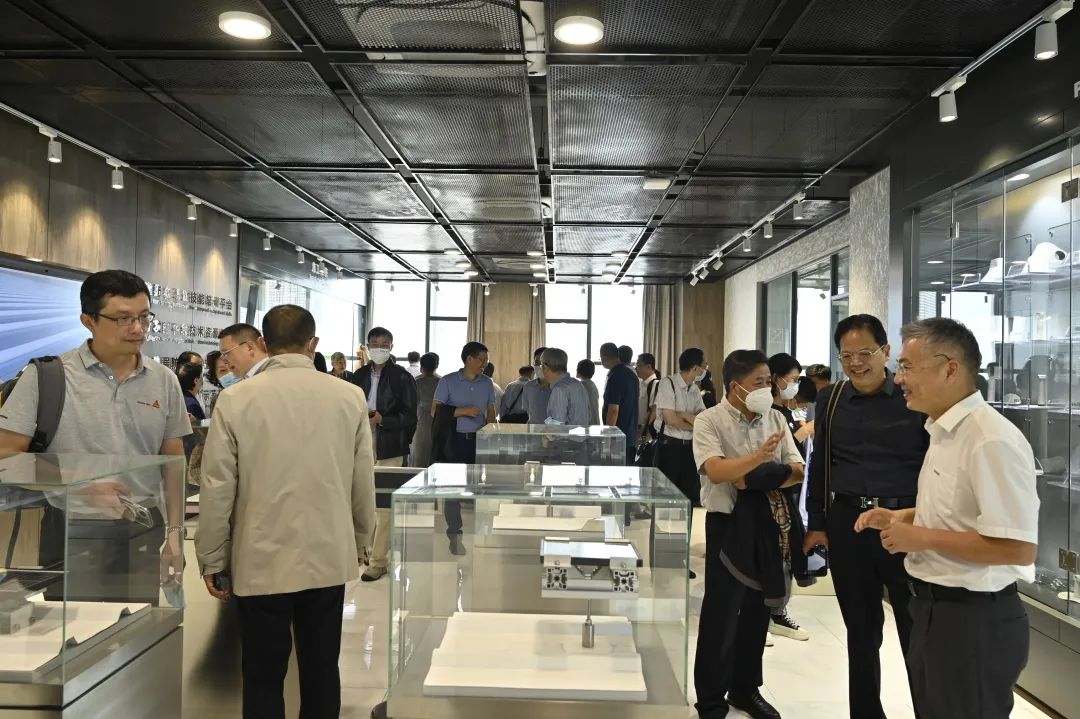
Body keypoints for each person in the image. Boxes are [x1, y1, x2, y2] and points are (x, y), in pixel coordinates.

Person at [197, 304, 375, 719]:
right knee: (321, 669)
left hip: (260, 556)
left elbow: (217, 486)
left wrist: (212, 557)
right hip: (327, 554)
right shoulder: (348, 396)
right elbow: (361, 479)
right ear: (314, 344)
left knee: (262, 674)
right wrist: (361, 542)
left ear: (263, 343)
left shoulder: (235, 399)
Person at [856, 318, 1038, 719]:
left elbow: (1018, 548)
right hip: (933, 611)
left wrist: (920, 538)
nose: (898, 379)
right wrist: (906, 516)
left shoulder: (990, 439)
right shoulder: (943, 431)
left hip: (973, 620)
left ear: (950, 369)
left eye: (907, 367)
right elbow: (961, 512)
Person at [0, 269, 189, 601]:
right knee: (77, 629)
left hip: (143, 525)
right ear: (88, 320)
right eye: (123, 318)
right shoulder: (47, 376)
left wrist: (175, 532)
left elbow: (173, 461)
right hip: (71, 526)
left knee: (140, 628)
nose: (138, 329)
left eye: (144, 317)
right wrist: (81, 485)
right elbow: (6, 455)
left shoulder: (164, 380)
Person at [803, 314, 929, 719]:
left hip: (903, 521)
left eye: (865, 353)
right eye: (846, 356)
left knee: (917, 632)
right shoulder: (831, 397)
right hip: (849, 523)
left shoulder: (914, 395)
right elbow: (820, 463)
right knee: (860, 632)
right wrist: (816, 523)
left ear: (885, 352)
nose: (855, 363)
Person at [693, 350, 803, 719]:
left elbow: (797, 470)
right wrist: (758, 460)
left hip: (769, 523)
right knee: (721, 613)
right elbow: (716, 471)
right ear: (735, 386)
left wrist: (750, 477)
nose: (767, 388)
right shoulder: (709, 420)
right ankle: (711, 698)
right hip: (727, 524)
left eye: (769, 381)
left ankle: (745, 689)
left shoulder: (776, 417)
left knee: (758, 609)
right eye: (759, 382)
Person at [350, 327, 418, 582]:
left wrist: (384, 420)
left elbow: (410, 416)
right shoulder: (358, 376)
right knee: (362, 498)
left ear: (391, 347)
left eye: (384, 344)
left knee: (384, 506)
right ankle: (365, 551)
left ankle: (379, 561)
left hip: (389, 443)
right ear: (367, 346)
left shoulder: (402, 377)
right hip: (360, 440)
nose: (379, 348)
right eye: (375, 343)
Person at [432, 342, 497, 554]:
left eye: (486, 360)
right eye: (481, 360)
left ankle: (482, 535)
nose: (484, 364)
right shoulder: (448, 381)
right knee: (453, 490)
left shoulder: (487, 383)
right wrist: (463, 411)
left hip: (479, 442)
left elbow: (491, 411)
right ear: (469, 359)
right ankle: (455, 533)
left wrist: (492, 431)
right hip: (455, 442)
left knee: (479, 487)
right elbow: (435, 412)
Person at [766, 353, 810, 643]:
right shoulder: (772, 414)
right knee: (777, 552)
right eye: (792, 379)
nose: (795, 385)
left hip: (792, 491)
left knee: (786, 551)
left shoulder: (785, 410)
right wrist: (806, 432)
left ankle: (776, 612)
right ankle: (771, 614)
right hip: (777, 491)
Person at [652, 348, 708, 578]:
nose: (705, 370)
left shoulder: (694, 389)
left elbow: (704, 419)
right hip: (669, 449)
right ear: (695, 367)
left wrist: (685, 416)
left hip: (689, 451)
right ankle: (660, 556)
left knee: (686, 505)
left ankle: (680, 558)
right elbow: (670, 419)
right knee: (664, 505)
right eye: (703, 366)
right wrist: (689, 420)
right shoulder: (668, 384)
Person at [600, 342, 639, 464]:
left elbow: (613, 410)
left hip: (617, 437)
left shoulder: (615, 376)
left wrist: (608, 437)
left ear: (604, 357)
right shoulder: (631, 374)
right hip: (630, 435)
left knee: (615, 472)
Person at [541, 348, 591, 426]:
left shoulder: (559, 389)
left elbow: (557, 425)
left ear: (545, 367)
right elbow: (588, 415)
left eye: (541, 366)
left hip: (566, 434)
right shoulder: (578, 384)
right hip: (582, 433)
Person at [410, 352, 440, 468]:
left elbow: (412, 405)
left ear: (422, 366)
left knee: (419, 461)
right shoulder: (442, 382)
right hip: (438, 425)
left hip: (421, 425)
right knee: (435, 461)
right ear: (436, 366)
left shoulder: (416, 382)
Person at [522, 346, 552, 424]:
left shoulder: (559, 388)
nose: (539, 366)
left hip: (555, 430)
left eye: (542, 362)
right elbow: (528, 410)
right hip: (533, 430)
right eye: (537, 362)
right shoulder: (528, 386)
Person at [636, 352, 660, 441]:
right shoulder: (640, 383)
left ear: (649, 367)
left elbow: (654, 411)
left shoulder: (656, 384)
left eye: (639, 365)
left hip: (646, 432)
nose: (636, 368)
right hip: (637, 429)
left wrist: (644, 431)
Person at [576, 359, 601, 425]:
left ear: (579, 370)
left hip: (587, 424)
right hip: (595, 422)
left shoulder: (581, 386)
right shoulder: (592, 385)